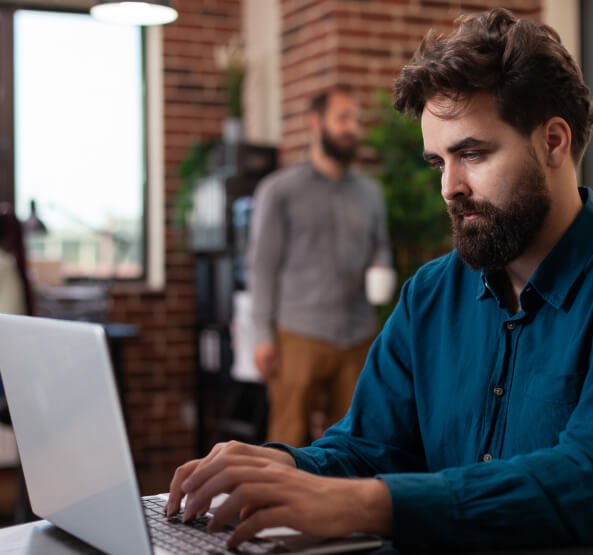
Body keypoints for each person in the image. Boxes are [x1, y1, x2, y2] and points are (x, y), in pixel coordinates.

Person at [166, 8, 593, 549]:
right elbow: (370, 447)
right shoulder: (430, 296)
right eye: (439, 163)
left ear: (553, 142)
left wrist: (369, 503)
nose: (450, 188)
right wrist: (282, 464)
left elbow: (581, 477)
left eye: (473, 154)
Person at [247, 85, 392, 446]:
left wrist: (381, 267)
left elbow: (382, 250)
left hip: (358, 334)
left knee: (353, 443)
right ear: (315, 123)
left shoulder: (371, 192)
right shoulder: (279, 190)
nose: (352, 128)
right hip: (298, 334)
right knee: (287, 442)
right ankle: (273, 505)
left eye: (355, 120)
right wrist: (262, 336)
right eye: (343, 118)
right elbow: (262, 266)